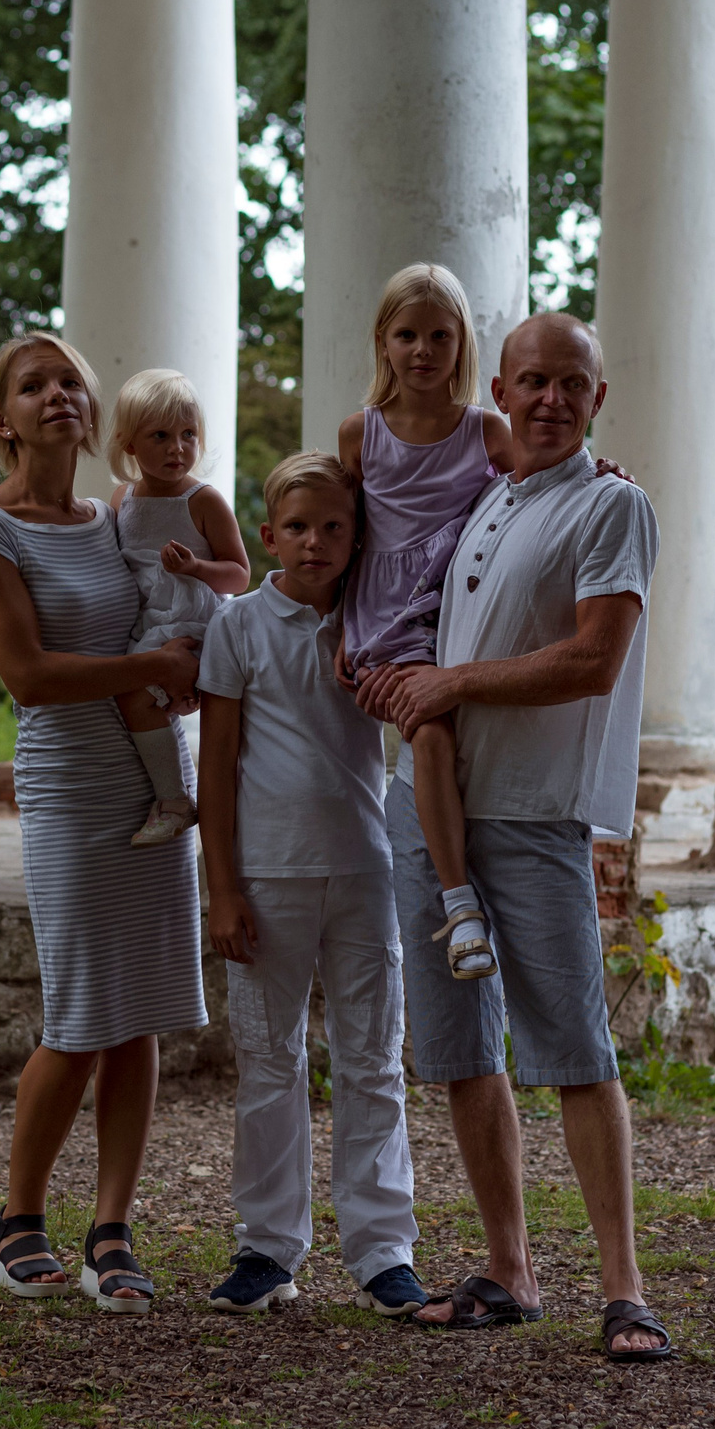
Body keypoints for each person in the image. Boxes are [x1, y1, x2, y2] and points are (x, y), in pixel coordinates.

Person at [353, 311, 678, 1364]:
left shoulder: (611, 506)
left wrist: (450, 682)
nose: (547, 400)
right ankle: (508, 1269)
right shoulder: (487, 499)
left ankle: (624, 1289)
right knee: (457, 1049)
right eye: (529, 382)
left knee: (574, 1049)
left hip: (534, 812)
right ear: (501, 390)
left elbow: (592, 661)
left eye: (568, 384)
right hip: (427, 806)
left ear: (596, 399)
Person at [0, 333, 209, 1316]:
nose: (55, 394)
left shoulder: (117, 519)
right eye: (33, 385)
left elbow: (181, 602)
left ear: (93, 416)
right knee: (76, 1014)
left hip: (157, 785)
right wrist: (151, 673)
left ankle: (112, 1228)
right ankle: (18, 1217)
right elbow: (29, 677)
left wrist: (187, 676)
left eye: (70, 383)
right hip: (68, 789)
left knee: (137, 1014)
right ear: (1, 420)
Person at [198, 452, 428, 1320]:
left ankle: (381, 1251)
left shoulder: (377, 623)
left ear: (358, 535)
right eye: (298, 526)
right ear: (268, 535)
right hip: (265, 876)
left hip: (366, 870)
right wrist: (223, 889)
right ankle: (267, 1245)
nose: (316, 541)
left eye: (335, 527)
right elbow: (215, 767)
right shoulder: (239, 627)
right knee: (268, 1061)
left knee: (373, 1061)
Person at [337, 265, 511, 984]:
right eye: (406, 334)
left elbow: (547, 484)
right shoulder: (360, 434)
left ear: (462, 343)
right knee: (428, 733)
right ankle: (457, 902)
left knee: (445, 737)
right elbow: (342, 540)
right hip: (388, 620)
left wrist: (608, 472)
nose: (422, 350)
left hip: (457, 615)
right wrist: (337, 638)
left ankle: (460, 894)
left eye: (440, 335)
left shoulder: (487, 432)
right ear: (383, 342)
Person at [105, 369, 250, 847]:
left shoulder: (202, 499)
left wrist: (195, 569)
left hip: (194, 619)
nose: (177, 448)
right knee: (134, 698)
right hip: (151, 622)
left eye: (188, 435)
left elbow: (239, 573)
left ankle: (178, 800)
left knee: (149, 698)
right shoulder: (123, 499)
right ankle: (174, 796)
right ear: (128, 444)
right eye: (161, 436)